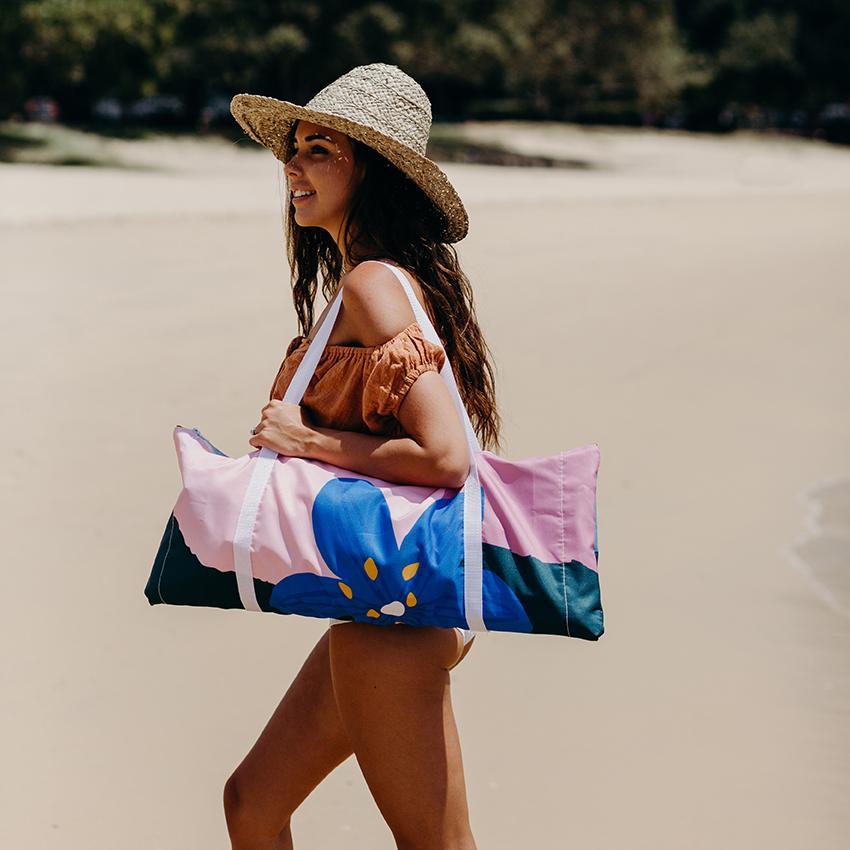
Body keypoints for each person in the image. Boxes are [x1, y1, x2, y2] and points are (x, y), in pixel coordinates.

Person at [224, 63, 502, 850]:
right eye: (293, 150)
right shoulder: (370, 285)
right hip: (384, 604)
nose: (293, 166)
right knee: (251, 802)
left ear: (369, 171)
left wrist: (304, 439)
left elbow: (446, 456)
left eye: (320, 150)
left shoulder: (376, 284)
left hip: (399, 617)